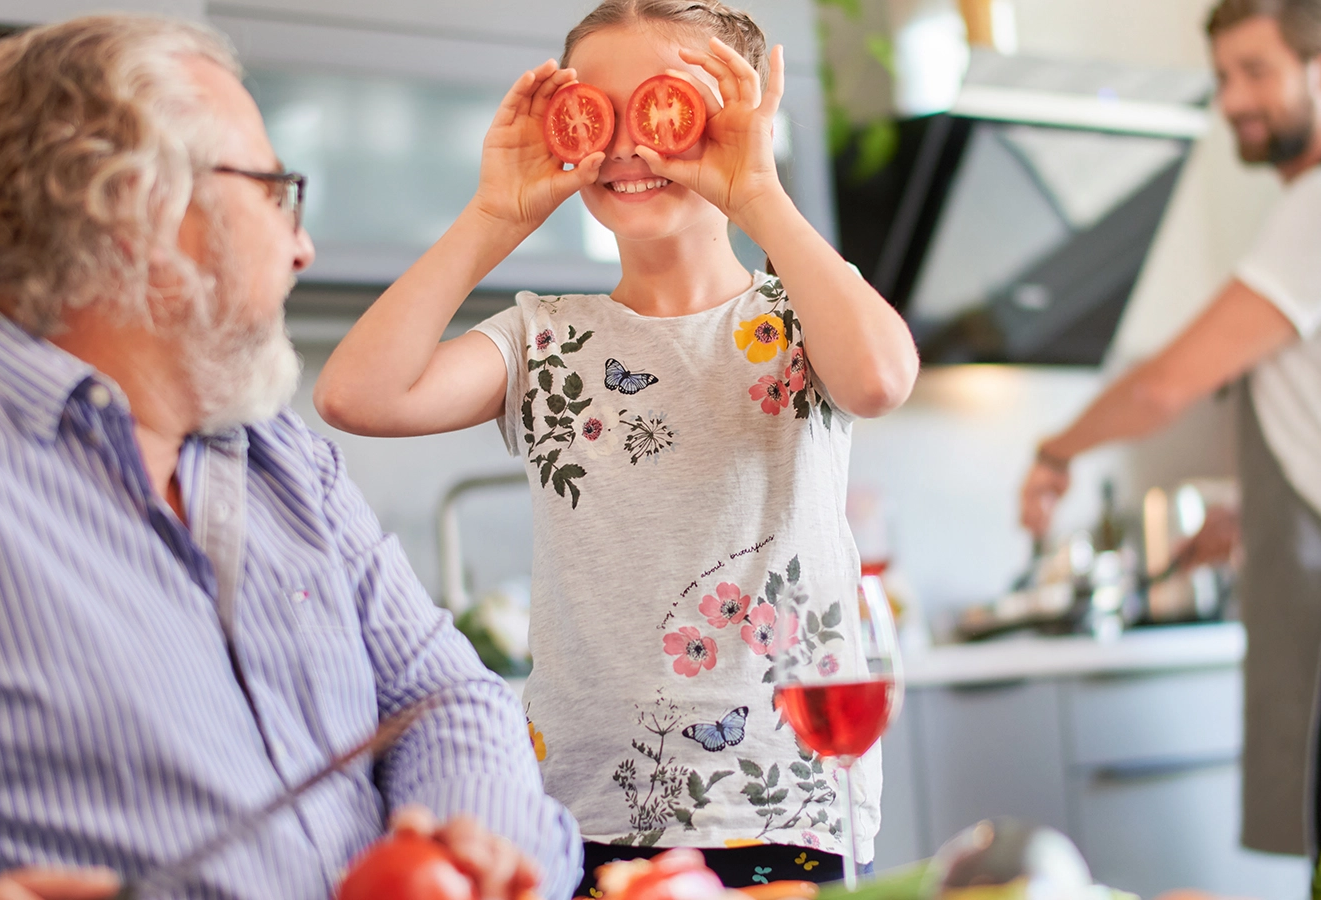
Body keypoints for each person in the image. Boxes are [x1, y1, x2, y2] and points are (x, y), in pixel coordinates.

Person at [0, 15, 579, 900]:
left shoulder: (286, 464)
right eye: (275, 191)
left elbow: (450, 700)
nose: (303, 245)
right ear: (139, 203)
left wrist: (471, 836)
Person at [313, 0, 919, 891]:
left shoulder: (802, 312)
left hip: (781, 791)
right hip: (585, 800)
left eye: (671, 109)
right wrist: (492, 215)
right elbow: (354, 394)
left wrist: (757, 187)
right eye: (598, 111)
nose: (635, 142)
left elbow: (878, 379)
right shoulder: (543, 338)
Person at [1017, 0, 1321, 889]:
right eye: (1225, 77)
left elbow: (1164, 383)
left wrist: (1057, 450)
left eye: (1257, 71)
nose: (1233, 100)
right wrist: (1247, 512)